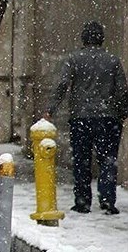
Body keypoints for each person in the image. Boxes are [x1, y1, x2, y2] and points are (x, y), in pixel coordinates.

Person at [45, 21, 128, 215]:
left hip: (80, 117)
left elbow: (62, 85)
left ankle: (82, 201)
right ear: (101, 39)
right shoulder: (113, 61)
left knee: (81, 160)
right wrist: (122, 112)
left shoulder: (73, 59)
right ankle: (107, 200)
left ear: (84, 38)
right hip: (108, 118)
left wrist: (51, 109)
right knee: (107, 159)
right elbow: (122, 90)